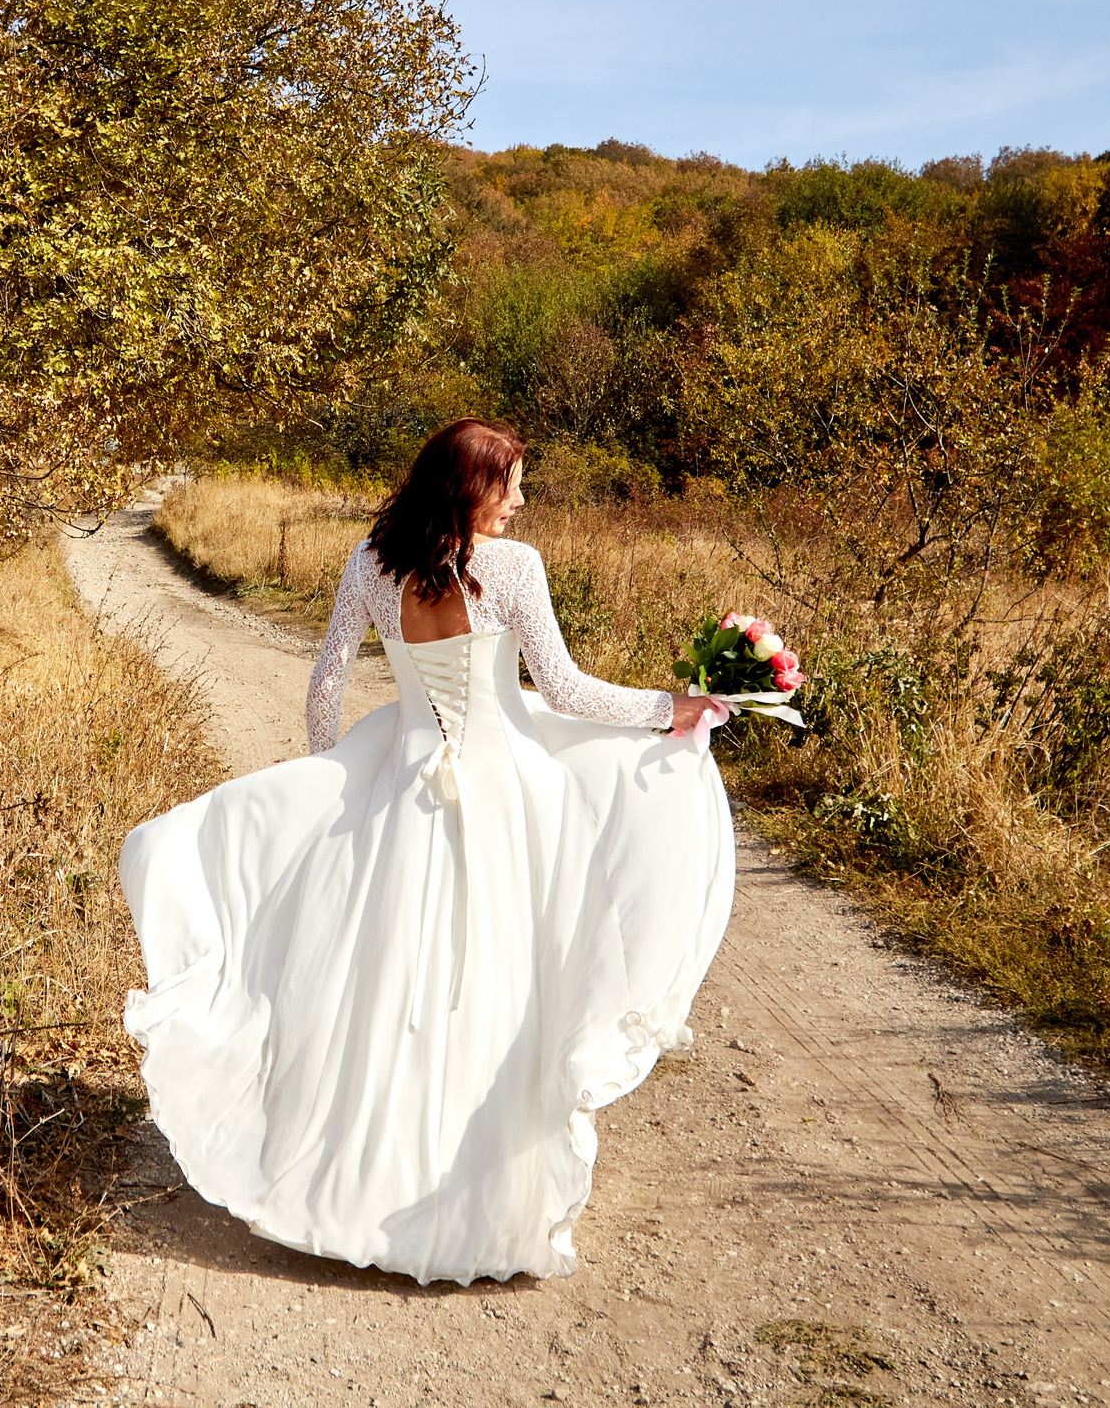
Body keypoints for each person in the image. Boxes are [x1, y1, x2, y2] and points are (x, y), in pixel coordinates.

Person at [119, 419, 738, 1285]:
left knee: (391, 983)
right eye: (510, 484)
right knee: (495, 980)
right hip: (511, 793)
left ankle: (371, 1171)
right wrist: (667, 709)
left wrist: (331, 771)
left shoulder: (372, 561)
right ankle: (474, 1189)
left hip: (400, 782)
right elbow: (562, 688)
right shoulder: (515, 571)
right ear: (469, 486)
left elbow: (328, 675)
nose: (521, 501)